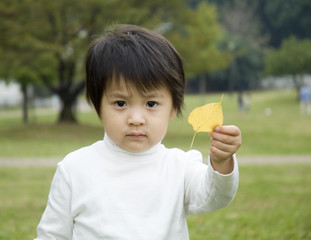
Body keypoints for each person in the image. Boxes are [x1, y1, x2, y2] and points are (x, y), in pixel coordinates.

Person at [34, 24, 241, 240]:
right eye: (120, 103)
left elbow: (214, 195)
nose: (136, 119)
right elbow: (52, 235)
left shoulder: (179, 167)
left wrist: (221, 160)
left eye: (151, 103)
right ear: (98, 106)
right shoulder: (75, 169)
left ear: (173, 107)